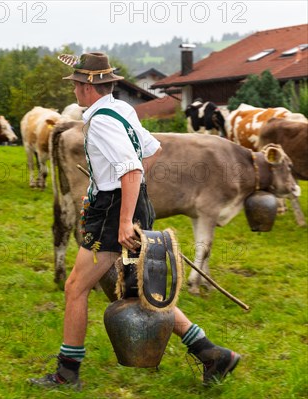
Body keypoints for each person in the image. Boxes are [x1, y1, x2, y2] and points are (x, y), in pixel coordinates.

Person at [29, 52, 241, 389]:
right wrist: (118, 188)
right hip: (127, 202)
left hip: (115, 215)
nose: (74, 91)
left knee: (75, 288)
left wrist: (123, 218)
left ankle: (67, 373)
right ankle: (212, 353)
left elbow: (130, 167)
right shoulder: (123, 109)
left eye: (76, 85)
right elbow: (151, 151)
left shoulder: (99, 120)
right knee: (142, 290)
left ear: (86, 87)